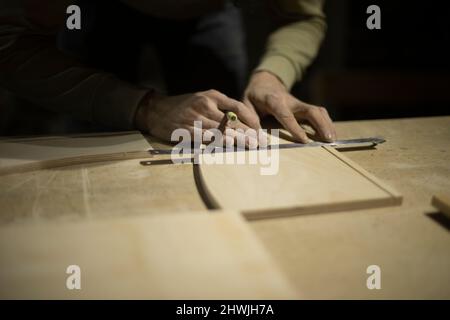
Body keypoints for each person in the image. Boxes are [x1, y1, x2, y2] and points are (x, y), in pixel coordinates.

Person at [0, 0, 336, 143]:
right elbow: (9, 44)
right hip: (98, 7)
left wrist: (272, 76)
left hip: (211, 12)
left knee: (224, 134)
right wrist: (143, 107)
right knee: (97, 139)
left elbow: (300, 16)